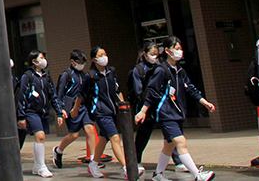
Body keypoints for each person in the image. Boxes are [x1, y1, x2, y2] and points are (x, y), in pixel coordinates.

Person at [135, 36, 216, 181]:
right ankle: (198, 175)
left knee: (169, 145)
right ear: (167, 51)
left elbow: (190, 88)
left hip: (177, 113)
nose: (180, 52)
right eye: (176, 49)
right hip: (166, 114)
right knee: (181, 142)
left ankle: (158, 174)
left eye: (180, 49)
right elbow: (152, 91)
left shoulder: (179, 70)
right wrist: (143, 111)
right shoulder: (161, 70)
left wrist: (205, 102)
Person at [72, 46, 127, 179]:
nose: (104, 57)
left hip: (112, 109)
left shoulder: (111, 71)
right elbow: (81, 94)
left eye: (105, 54)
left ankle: (93, 164)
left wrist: (123, 105)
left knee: (103, 138)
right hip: (100, 111)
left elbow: (118, 89)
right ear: (94, 59)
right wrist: (75, 109)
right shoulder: (90, 76)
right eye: (101, 55)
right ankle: (127, 167)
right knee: (115, 137)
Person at [131, 43, 183, 172]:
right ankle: (135, 160)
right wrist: (144, 106)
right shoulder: (138, 69)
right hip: (147, 106)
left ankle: (178, 161)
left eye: (156, 54)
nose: (154, 57)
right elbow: (139, 91)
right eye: (152, 54)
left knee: (170, 134)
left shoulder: (160, 67)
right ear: (144, 54)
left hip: (160, 105)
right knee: (143, 135)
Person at [17, 50, 64, 178]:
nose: (44, 60)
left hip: (43, 112)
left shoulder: (46, 77)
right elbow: (22, 97)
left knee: (40, 139)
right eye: (41, 58)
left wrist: (59, 113)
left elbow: (53, 96)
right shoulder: (27, 77)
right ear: (34, 61)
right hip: (31, 112)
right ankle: (42, 166)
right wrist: (21, 116)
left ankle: (37, 166)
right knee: (40, 135)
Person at [53, 49, 97, 169]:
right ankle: (58, 150)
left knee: (90, 130)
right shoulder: (67, 75)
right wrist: (61, 110)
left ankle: (93, 160)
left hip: (83, 107)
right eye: (79, 62)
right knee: (74, 135)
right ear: (72, 62)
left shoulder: (84, 75)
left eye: (83, 62)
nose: (81, 65)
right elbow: (59, 94)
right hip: (71, 108)